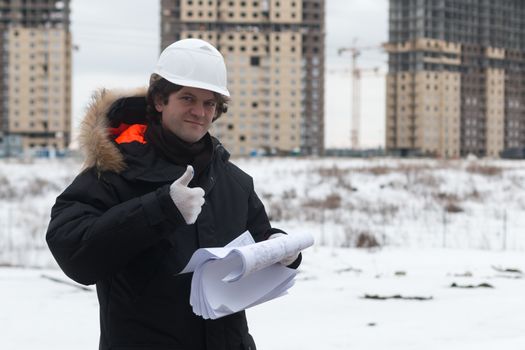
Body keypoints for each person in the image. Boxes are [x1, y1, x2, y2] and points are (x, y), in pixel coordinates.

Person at [46, 38, 302, 350]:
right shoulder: (113, 173)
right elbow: (74, 254)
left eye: (209, 103)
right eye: (188, 98)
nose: (200, 112)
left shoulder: (234, 182)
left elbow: (256, 241)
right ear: (159, 100)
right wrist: (160, 209)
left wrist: (281, 250)